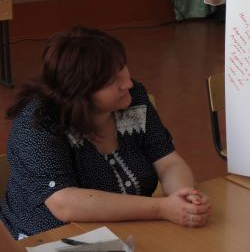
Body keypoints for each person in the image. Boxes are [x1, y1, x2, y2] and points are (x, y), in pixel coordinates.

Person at [0, 27, 211, 239]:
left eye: (123, 67)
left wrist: (183, 196)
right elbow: (64, 203)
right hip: (49, 238)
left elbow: (167, 160)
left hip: (126, 230)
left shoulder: (133, 98)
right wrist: (162, 208)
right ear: (79, 92)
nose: (127, 83)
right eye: (111, 80)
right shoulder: (38, 120)